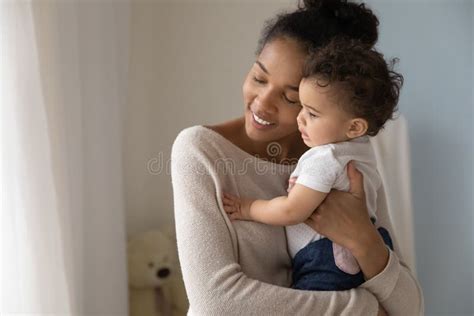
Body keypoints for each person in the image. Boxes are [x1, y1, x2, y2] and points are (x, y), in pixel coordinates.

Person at [171, 0, 424, 315]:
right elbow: (217, 303)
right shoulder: (201, 151)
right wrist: (368, 309)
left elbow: (410, 307)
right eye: (259, 78)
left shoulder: (341, 160)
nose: (262, 104)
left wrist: (363, 239)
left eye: (291, 98)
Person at [222, 38, 401, 292]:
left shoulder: (326, 157)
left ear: (354, 126)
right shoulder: (361, 151)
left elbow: (291, 211)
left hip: (327, 259)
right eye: (301, 107)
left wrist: (247, 208)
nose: (300, 119)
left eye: (312, 114)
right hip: (364, 253)